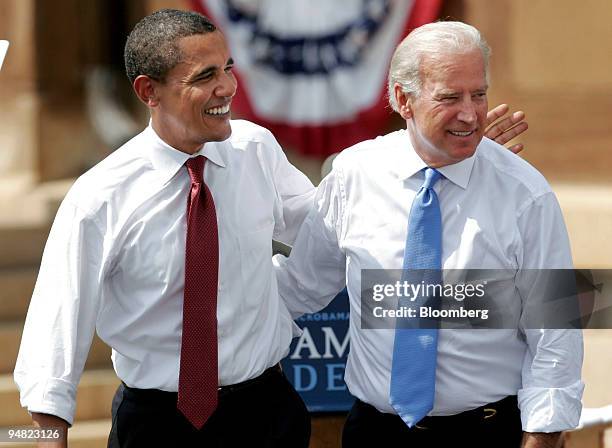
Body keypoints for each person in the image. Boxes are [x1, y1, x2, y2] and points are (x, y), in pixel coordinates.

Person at [13, 10, 528, 448]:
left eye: (228, 67)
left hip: (266, 414)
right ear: (149, 91)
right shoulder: (99, 196)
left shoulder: (255, 149)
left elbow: (341, 225)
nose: (227, 88)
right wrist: (41, 436)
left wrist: (457, 159)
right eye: (203, 76)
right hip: (157, 424)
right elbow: (57, 321)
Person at [273, 21, 583, 448]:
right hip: (375, 432)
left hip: (487, 432)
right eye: (450, 97)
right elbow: (302, 286)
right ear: (403, 99)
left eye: (479, 93)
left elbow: (556, 328)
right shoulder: (354, 174)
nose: (471, 113)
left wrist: (543, 435)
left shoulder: (526, 194)